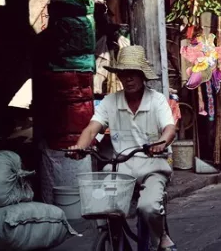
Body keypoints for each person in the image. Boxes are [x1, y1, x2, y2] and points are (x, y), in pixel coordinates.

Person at [68, 45, 178, 251]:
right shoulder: (110, 101)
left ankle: (161, 235)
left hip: (152, 164)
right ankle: (113, 236)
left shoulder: (156, 100)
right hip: (120, 167)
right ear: (119, 77)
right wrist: (80, 147)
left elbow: (170, 128)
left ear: (142, 76)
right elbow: (92, 129)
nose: (128, 79)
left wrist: (162, 143)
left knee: (148, 207)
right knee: (102, 204)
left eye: (133, 75)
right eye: (124, 74)